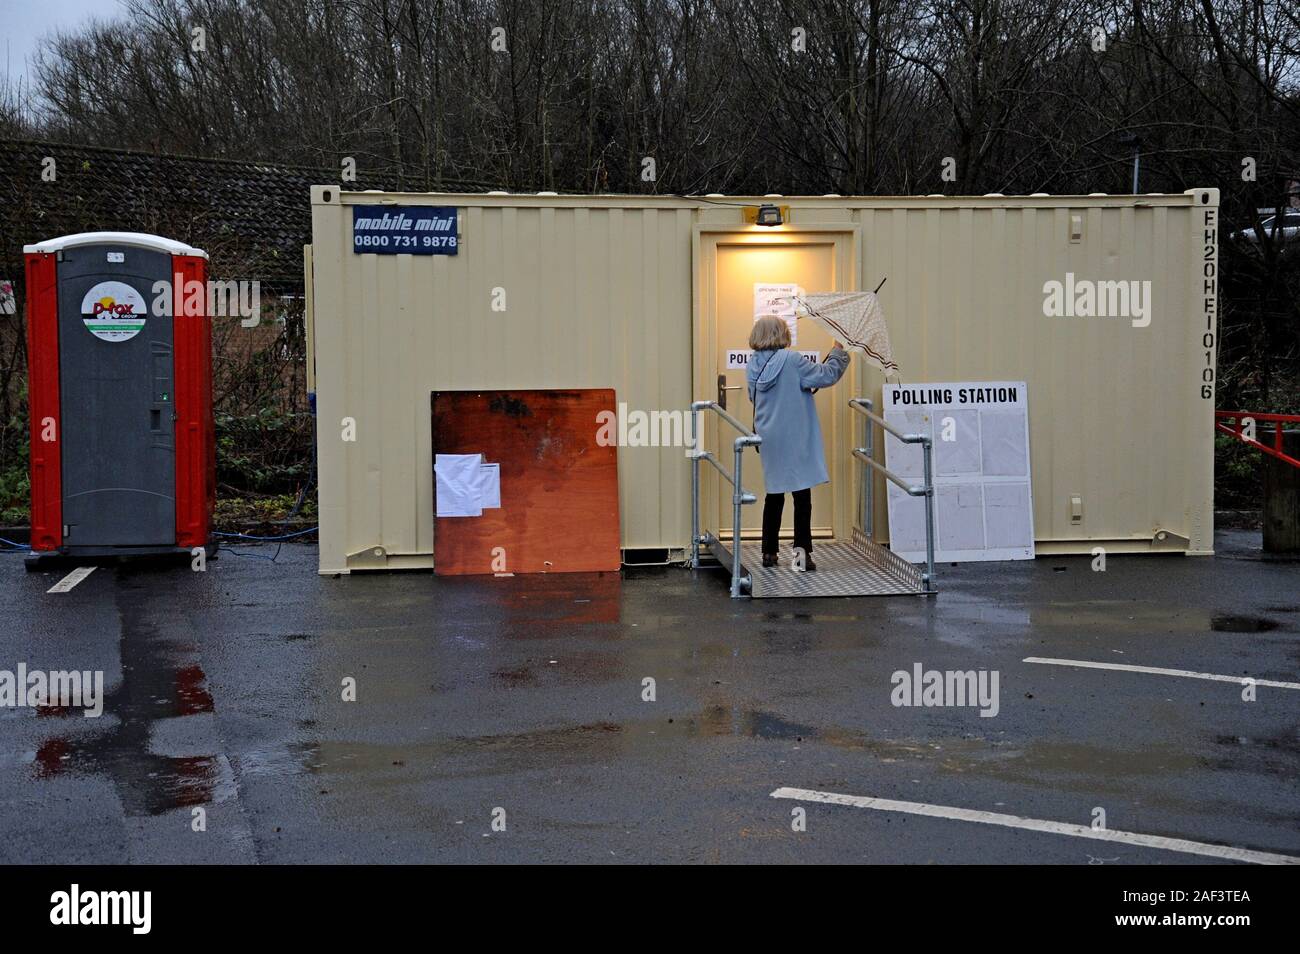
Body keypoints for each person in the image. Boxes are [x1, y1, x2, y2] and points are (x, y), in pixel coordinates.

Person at [746, 316, 849, 570]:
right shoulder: (792, 360)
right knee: (802, 496)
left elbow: (753, 397)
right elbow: (826, 376)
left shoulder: (752, 364)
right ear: (781, 333)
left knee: (774, 494)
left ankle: (769, 554)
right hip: (795, 436)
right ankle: (801, 558)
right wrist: (837, 351)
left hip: (769, 437)